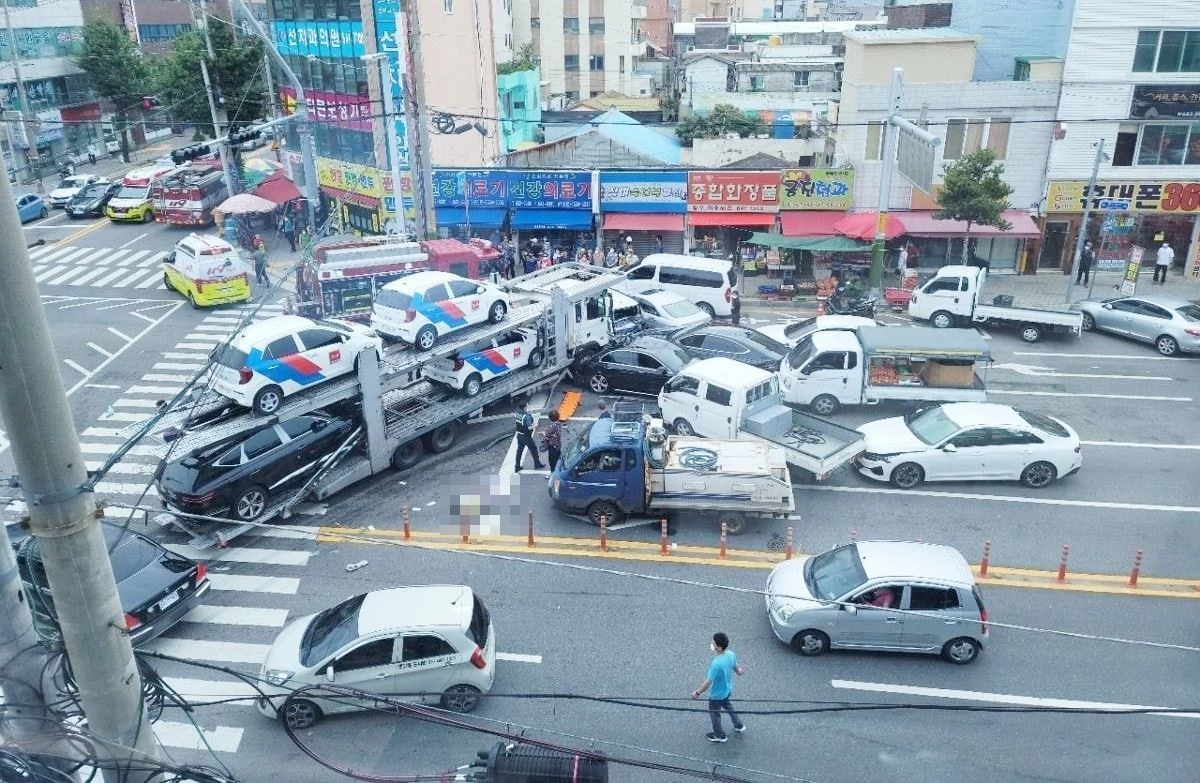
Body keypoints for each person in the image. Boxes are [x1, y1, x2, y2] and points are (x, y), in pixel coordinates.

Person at [691, 632, 745, 743]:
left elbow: (708, 682)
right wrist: (739, 671)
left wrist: (697, 692)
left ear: (719, 648)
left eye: (713, 643)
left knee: (714, 714)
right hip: (727, 690)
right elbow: (736, 667)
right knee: (728, 707)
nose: (712, 643)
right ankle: (739, 725)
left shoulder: (716, 664)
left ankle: (719, 735)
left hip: (716, 695)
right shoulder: (730, 654)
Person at [513, 400, 544, 472]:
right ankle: (537, 464)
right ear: (525, 407)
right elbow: (529, 427)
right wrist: (535, 425)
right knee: (534, 450)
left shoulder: (517, 414)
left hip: (519, 435)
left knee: (519, 451)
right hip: (526, 436)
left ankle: (517, 466)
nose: (528, 406)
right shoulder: (527, 416)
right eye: (527, 405)